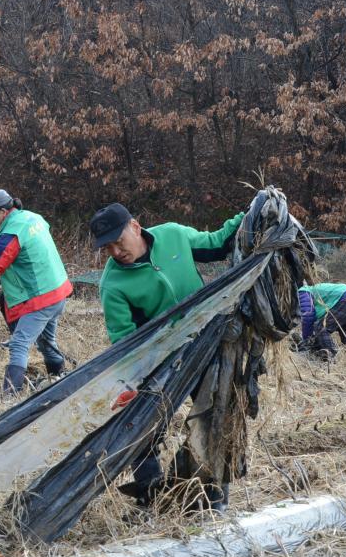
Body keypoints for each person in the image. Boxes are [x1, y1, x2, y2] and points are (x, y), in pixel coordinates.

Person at [90, 202, 244, 511]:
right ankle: (151, 494)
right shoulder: (114, 284)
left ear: (135, 227)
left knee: (215, 414)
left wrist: (250, 213)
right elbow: (125, 340)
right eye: (108, 247)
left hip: (206, 342)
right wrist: (132, 381)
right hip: (162, 360)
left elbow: (216, 244)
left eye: (119, 241)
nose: (116, 251)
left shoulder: (173, 236)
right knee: (140, 424)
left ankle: (214, 497)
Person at [0, 189, 72, 394]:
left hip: (40, 297)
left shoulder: (12, 232)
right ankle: (59, 376)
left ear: (3, 211)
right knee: (47, 342)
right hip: (58, 291)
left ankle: (10, 396)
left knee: (19, 344)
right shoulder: (33, 217)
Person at [297, 283, 346, 359]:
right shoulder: (317, 289)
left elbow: (307, 316)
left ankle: (332, 358)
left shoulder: (303, 291)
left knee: (321, 327)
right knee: (345, 328)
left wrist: (306, 341)